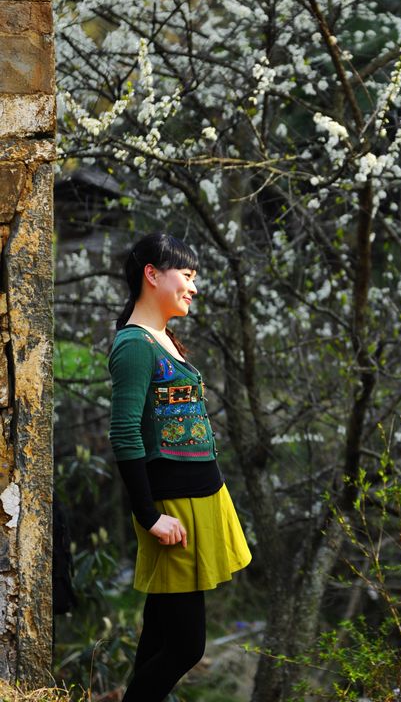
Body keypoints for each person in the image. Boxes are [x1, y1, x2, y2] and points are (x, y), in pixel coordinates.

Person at [108, 232, 251, 702]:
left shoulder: (163, 339)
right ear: (152, 274)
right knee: (187, 647)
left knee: (158, 638)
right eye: (186, 276)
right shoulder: (135, 345)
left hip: (201, 499)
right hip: (173, 511)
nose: (193, 287)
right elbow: (124, 433)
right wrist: (149, 515)